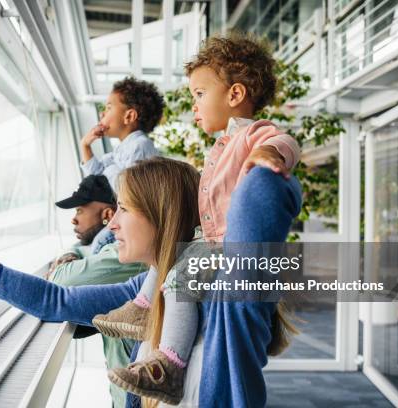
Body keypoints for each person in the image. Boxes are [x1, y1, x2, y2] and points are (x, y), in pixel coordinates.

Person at [0, 156, 301, 407]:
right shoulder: (147, 291)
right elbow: (56, 300)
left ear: (160, 214)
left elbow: (265, 193)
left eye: (124, 209)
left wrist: (265, 153)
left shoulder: (221, 301)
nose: (114, 223)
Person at [91, 32, 301, 404]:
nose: (195, 106)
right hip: (212, 243)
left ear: (234, 95)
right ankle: (142, 308)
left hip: (227, 250)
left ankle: (169, 363)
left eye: (200, 95)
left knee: (178, 275)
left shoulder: (253, 134)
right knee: (173, 256)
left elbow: (286, 143)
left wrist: (269, 154)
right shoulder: (221, 145)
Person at [50, 174, 147, 408]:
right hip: (123, 396)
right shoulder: (103, 250)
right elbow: (82, 251)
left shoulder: (129, 253)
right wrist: (71, 255)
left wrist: (67, 261)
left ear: (106, 214)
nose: (73, 220)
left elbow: (60, 282)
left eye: (80, 210)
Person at [80, 76, 163, 193]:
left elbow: (126, 192)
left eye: (109, 108)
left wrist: (109, 169)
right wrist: (85, 145)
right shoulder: (123, 148)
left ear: (129, 116)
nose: (101, 114)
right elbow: (96, 176)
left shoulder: (140, 146)